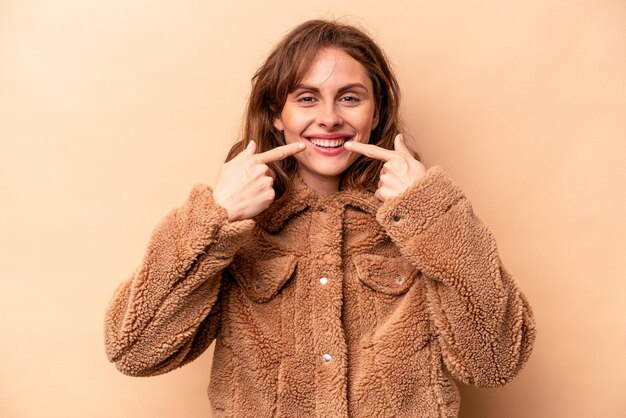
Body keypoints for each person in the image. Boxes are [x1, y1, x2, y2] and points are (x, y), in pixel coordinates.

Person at [104, 19, 536, 417]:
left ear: (377, 112)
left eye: (349, 98)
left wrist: (432, 214)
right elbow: (135, 350)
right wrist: (215, 217)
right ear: (277, 114)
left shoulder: (422, 218)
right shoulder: (236, 229)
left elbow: (495, 362)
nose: (329, 119)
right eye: (307, 98)